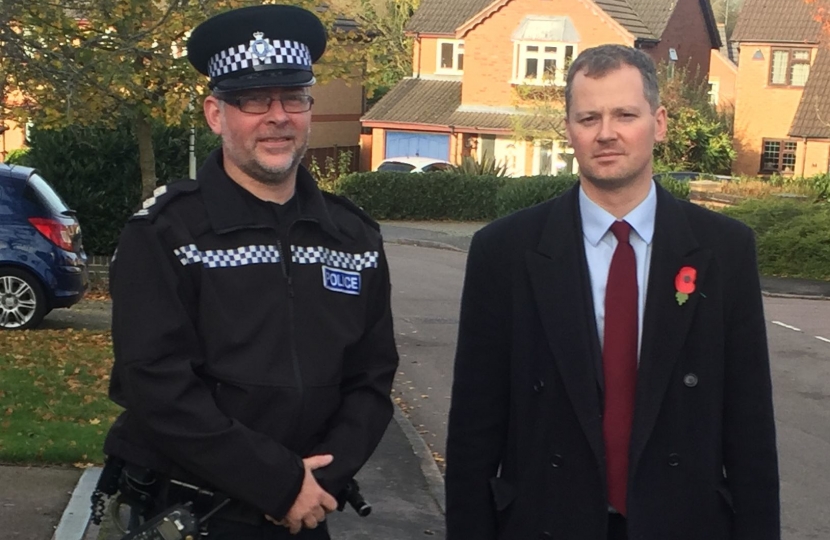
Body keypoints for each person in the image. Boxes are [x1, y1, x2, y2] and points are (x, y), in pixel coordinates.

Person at [444, 44, 779, 540]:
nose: (606, 133)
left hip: (683, 523)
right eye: (588, 117)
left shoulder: (723, 251)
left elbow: (750, 425)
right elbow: (474, 425)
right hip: (548, 522)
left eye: (625, 114)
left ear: (659, 123)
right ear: (568, 130)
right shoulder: (505, 251)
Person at [100, 5, 399, 539]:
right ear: (216, 115)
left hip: (306, 512)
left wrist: (320, 481)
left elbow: (371, 379)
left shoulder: (353, 238)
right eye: (253, 101)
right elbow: (156, 386)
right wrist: (277, 483)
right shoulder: (165, 236)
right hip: (193, 516)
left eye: (293, 98)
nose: (277, 116)